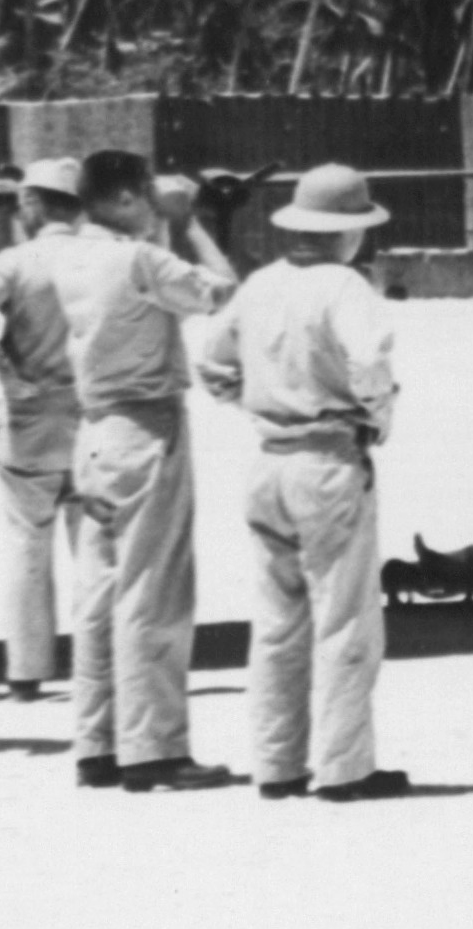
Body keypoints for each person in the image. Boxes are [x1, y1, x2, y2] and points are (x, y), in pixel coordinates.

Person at [196, 162, 403, 802]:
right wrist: (375, 417)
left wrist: (260, 402)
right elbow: (369, 358)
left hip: (269, 460)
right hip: (327, 461)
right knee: (344, 619)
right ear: (350, 233)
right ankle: (345, 768)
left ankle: (276, 764)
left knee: (278, 621)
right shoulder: (346, 287)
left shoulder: (259, 284)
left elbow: (211, 365)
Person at [58, 146, 238, 790]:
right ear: (130, 196)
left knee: (101, 592)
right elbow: (220, 291)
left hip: (95, 430)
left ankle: (99, 743)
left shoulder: (73, 253)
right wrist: (193, 222)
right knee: (153, 589)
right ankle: (155, 748)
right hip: (144, 426)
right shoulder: (137, 256)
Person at [0, 162, 95, 702]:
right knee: (95, 548)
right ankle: (96, 664)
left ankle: (25, 673)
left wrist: (8, 371)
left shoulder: (14, 262)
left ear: (35, 203)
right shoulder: (99, 258)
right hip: (88, 415)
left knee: (27, 548)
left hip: (30, 419)